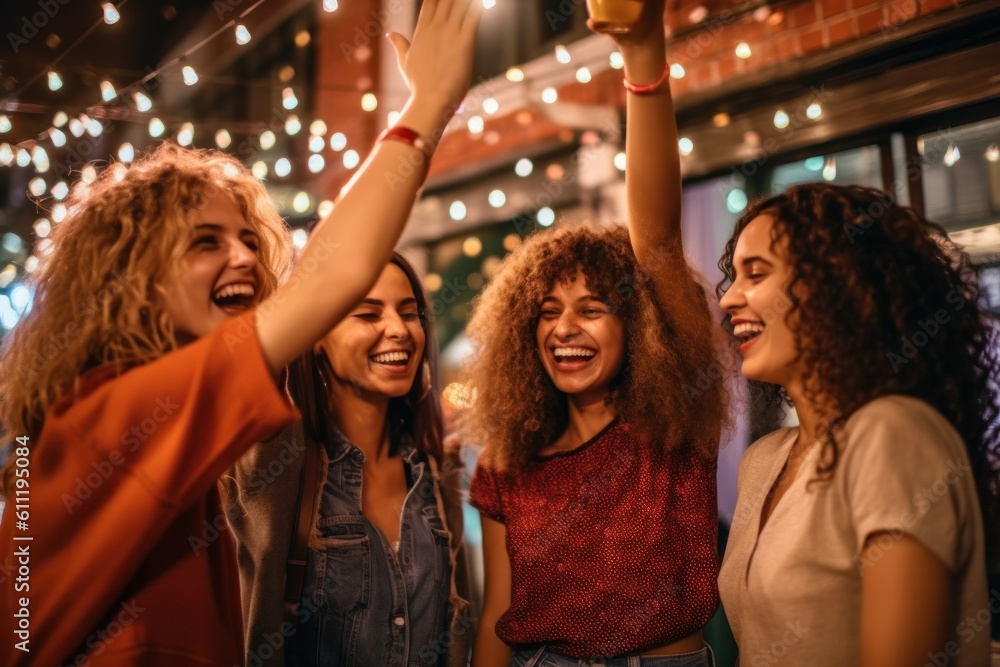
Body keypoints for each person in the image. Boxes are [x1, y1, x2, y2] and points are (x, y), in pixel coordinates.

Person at [0, 1, 482, 664]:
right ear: (128, 276)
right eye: (206, 241)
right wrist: (426, 108)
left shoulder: (138, 430)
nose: (248, 260)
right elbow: (329, 278)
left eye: (250, 239)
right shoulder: (118, 416)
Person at [465, 2, 729, 665]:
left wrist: (642, 57)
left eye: (590, 307)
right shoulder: (508, 459)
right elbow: (498, 616)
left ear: (636, 322)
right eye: (547, 311)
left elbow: (659, 240)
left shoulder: (674, 420)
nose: (563, 328)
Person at [716, 182, 1000, 666]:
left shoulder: (892, 433)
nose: (728, 300)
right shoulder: (763, 460)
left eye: (756, 274)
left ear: (837, 284)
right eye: (734, 277)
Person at [224, 253, 472, 667]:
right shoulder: (280, 463)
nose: (399, 330)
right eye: (368, 314)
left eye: (409, 313)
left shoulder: (433, 471)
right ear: (315, 332)